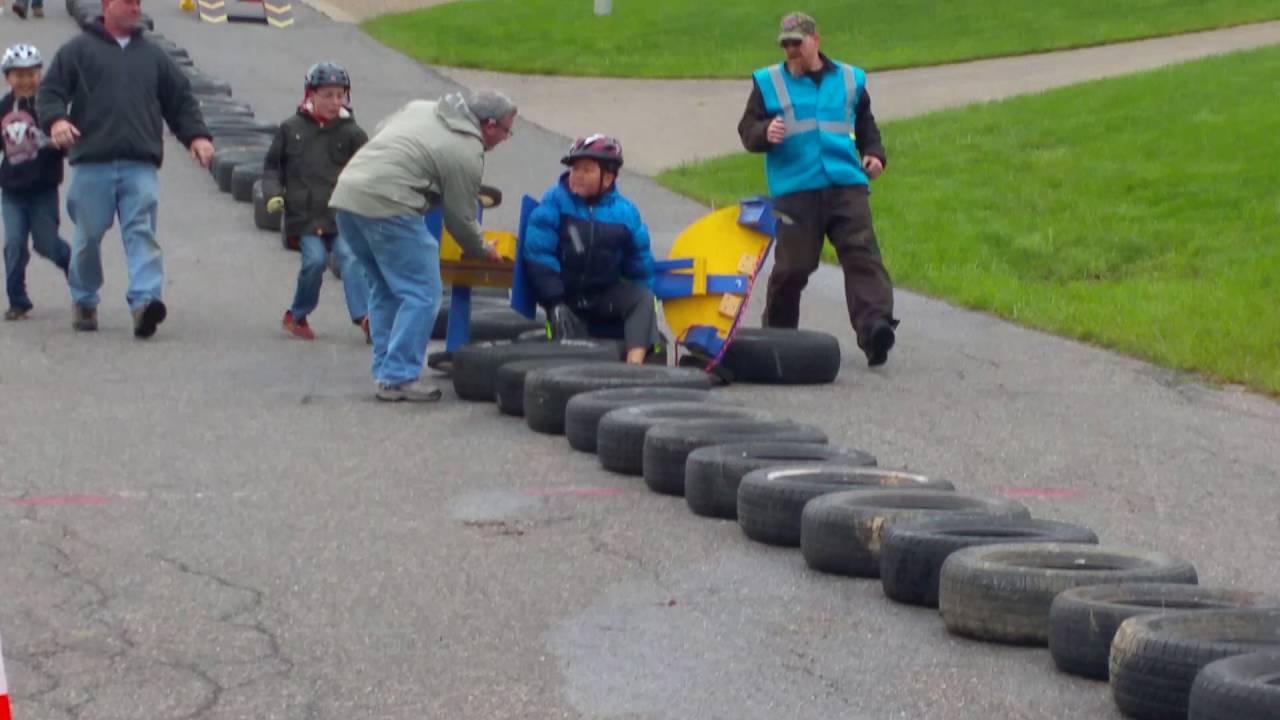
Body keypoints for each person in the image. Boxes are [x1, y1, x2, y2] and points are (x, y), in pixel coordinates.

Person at [37, 0, 214, 338]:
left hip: (139, 164)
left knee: (141, 233)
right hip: (92, 162)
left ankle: (144, 303)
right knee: (88, 237)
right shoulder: (78, 50)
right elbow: (50, 92)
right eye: (126, 1)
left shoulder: (153, 56)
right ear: (106, 5)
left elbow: (180, 100)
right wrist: (56, 120)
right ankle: (84, 298)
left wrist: (198, 137)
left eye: (137, 2)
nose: (134, 7)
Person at [737, 11, 898, 367]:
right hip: (797, 190)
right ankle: (778, 337)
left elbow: (866, 126)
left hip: (846, 186)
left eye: (797, 43)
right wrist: (764, 133)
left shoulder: (850, 79)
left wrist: (873, 155)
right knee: (793, 268)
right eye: (786, 44)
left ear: (816, 40)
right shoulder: (769, 83)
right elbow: (747, 129)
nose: (791, 50)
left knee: (862, 257)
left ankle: (876, 330)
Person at [330, 90, 511, 402]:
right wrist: (484, 249)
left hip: (347, 195)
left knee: (386, 286)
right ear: (490, 125)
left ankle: (386, 370)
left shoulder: (421, 108)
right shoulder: (466, 150)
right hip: (391, 205)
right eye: (507, 130)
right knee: (423, 292)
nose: (506, 138)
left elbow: (382, 134)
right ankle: (399, 376)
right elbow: (460, 220)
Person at [522, 134, 660, 364]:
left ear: (608, 177)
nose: (577, 176)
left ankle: (634, 367)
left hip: (603, 298)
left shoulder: (626, 213)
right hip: (566, 299)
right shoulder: (554, 201)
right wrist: (554, 302)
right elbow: (538, 254)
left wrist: (646, 322)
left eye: (587, 170)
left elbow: (640, 267)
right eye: (575, 169)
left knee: (643, 298)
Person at [262, 62, 371, 343]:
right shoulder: (291, 129)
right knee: (315, 262)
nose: (335, 102)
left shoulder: (353, 133)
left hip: (341, 213)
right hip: (305, 215)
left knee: (350, 257)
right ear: (310, 95)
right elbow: (272, 168)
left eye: (340, 95)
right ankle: (297, 315)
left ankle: (366, 317)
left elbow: (370, 169)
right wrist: (273, 194)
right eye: (328, 95)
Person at [1, 44, 70, 321]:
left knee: (47, 243)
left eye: (31, 74)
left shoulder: (49, 107)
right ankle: (17, 299)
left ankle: (75, 269)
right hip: (12, 190)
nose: (26, 80)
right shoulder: (4, 108)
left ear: (39, 74)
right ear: (8, 77)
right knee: (14, 244)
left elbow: (67, 140)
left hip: (43, 188)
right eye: (19, 75)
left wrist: (56, 143)